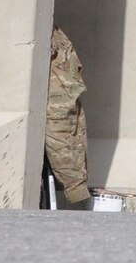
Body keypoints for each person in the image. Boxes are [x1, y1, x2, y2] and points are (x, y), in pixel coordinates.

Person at [45, 25, 91, 210]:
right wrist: (76, 188)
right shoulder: (52, 38)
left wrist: (76, 188)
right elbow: (60, 120)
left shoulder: (55, 38)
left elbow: (63, 117)